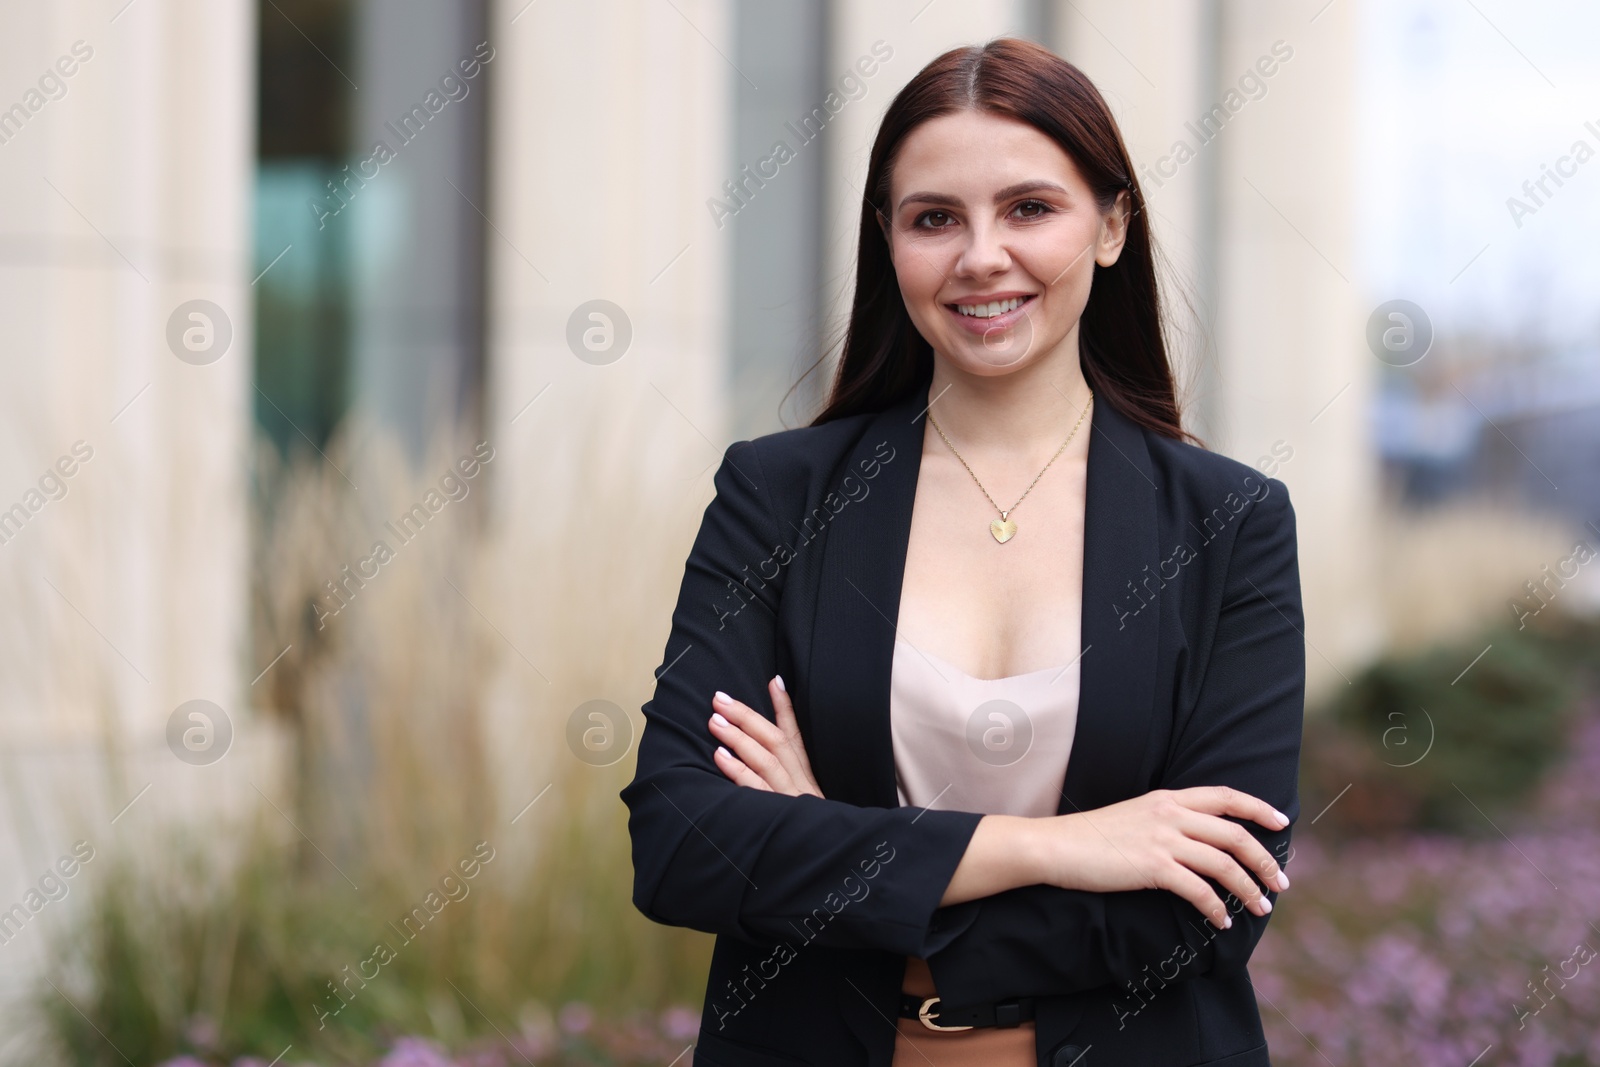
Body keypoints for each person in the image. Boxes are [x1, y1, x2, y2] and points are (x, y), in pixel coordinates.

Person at [620, 36, 1304, 1067]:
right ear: (888, 241)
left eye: (1029, 208)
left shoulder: (1228, 522)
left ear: (1112, 226)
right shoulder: (777, 495)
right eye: (934, 217)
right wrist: (1056, 845)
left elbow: (1203, 911)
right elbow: (682, 844)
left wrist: (830, 843)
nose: (981, 254)